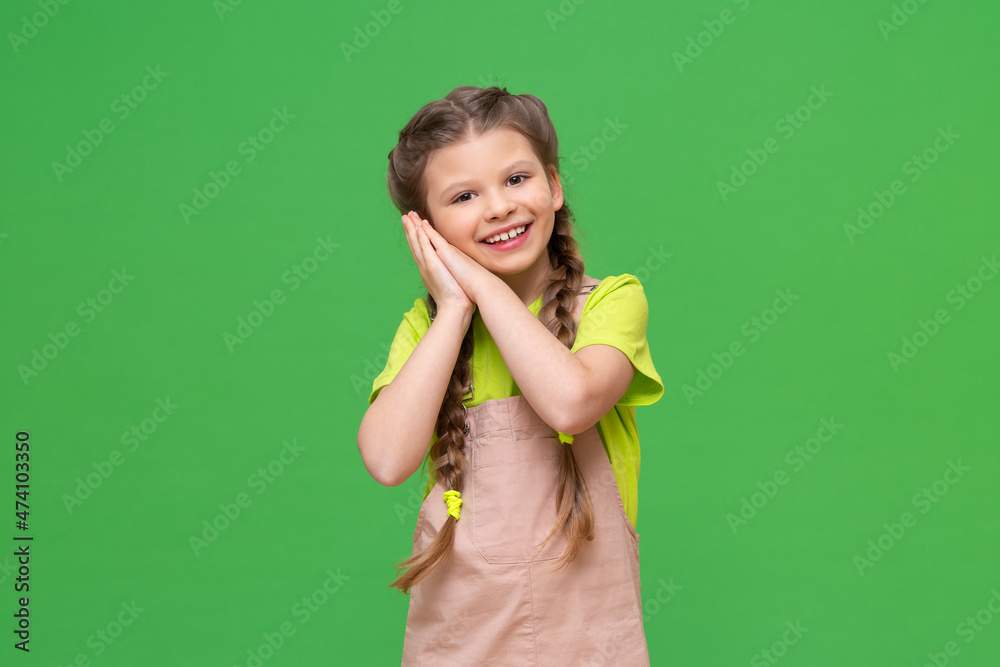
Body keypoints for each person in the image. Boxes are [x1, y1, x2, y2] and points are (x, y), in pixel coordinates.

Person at [357, 84, 663, 665]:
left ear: (554, 186)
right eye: (465, 195)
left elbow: (571, 402)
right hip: (459, 645)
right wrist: (452, 309)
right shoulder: (429, 331)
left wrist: (481, 288)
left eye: (517, 179)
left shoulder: (613, 303)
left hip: (587, 645)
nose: (498, 206)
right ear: (427, 230)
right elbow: (387, 459)